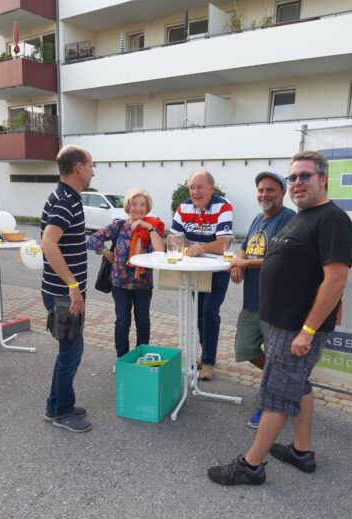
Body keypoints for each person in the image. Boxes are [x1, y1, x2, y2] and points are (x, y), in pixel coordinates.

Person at [208, 151, 352, 486]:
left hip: (297, 328)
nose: (297, 183)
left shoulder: (332, 219)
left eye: (305, 176)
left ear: (323, 179)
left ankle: (251, 466)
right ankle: (302, 451)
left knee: (277, 391)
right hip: (282, 323)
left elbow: (336, 280)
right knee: (297, 384)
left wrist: (308, 330)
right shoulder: (301, 218)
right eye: (293, 177)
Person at [230, 172, 295, 429]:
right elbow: (244, 247)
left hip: (275, 304)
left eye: (270, 190)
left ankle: (269, 403)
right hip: (252, 302)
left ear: (282, 192)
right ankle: (284, 383)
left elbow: (281, 259)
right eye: (260, 190)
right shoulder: (258, 219)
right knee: (245, 348)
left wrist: (244, 263)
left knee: (277, 357)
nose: (264, 194)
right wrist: (239, 263)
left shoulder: (288, 219)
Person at [40, 145, 94, 433]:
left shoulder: (66, 196)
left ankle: (56, 405)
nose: (93, 171)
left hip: (63, 291)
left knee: (69, 349)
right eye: (91, 165)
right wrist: (73, 286)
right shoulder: (65, 201)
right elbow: (48, 243)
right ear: (79, 167)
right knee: (71, 351)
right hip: (64, 294)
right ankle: (61, 412)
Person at [87, 187, 164, 359]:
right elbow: (93, 239)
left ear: (147, 207)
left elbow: (160, 251)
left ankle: (142, 357)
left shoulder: (153, 227)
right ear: (129, 206)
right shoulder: (119, 226)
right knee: (122, 322)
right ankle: (122, 358)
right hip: (120, 283)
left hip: (143, 284)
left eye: (142, 205)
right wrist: (107, 253)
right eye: (134, 204)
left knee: (143, 322)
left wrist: (148, 227)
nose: (138, 208)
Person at [171, 170, 233, 381]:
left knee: (209, 312)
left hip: (217, 271)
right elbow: (174, 240)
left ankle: (208, 362)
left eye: (200, 187)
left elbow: (224, 243)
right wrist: (195, 247)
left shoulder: (223, 206)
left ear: (211, 188)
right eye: (192, 187)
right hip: (195, 271)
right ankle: (206, 355)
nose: (195, 192)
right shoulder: (183, 207)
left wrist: (198, 247)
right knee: (199, 313)